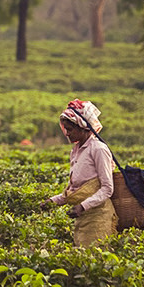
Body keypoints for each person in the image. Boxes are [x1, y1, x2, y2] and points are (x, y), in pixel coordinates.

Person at [38, 99, 117, 247]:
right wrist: (53, 201)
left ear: (83, 127)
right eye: (65, 129)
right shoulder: (75, 151)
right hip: (82, 218)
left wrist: (83, 206)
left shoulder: (98, 149)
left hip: (98, 216)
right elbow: (75, 189)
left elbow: (107, 189)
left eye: (70, 129)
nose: (67, 134)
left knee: (96, 254)